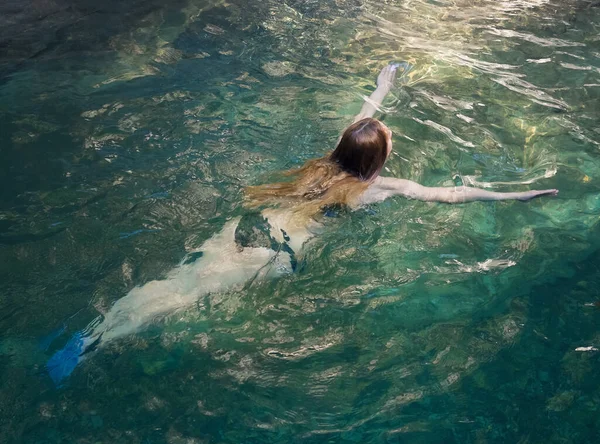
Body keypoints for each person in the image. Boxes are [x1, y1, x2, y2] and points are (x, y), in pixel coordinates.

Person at [46, 63, 558, 385]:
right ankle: (93, 346)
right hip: (278, 253)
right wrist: (520, 192)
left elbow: (363, 114)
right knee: (187, 299)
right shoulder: (378, 187)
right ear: (378, 162)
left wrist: (382, 85)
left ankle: (92, 333)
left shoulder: (329, 160)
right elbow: (451, 194)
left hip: (249, 225)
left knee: (177, 282)